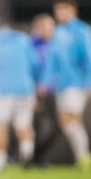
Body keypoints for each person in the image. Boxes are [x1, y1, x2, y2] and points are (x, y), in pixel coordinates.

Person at [47, 0, 91, 171]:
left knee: (70, 116)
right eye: (58, 11)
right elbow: (53, 61)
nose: (60, 14)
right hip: (61, 85)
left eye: (63, 10)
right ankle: (82, 157)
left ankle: (84, 157)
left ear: (73, 11)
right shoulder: (57, 32)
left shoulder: (82, 30)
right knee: (67, 121)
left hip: (78, 82)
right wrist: (49, 82)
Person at [0, 24, 40, 172]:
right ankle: (27, 154)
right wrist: (35, 89)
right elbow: (35, 65)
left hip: (3, 93)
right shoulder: (24, 41)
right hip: (26, 91)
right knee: (24, 126)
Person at [30, 13, 59, 167]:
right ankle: (29, 157)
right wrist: (34, 90)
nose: (51, 29)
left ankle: (38, 155)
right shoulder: (31, 47)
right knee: (34, 125)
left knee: (59, 125)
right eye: (48, 26)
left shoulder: (56, 44)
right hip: (35, 92)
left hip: (54, 91)